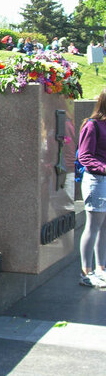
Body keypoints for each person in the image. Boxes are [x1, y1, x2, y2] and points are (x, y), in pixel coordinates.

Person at [77, 90, 106, 288]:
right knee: (93, 226)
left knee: (103, 227)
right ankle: (86, 272)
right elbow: (85, 157)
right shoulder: (92, 125)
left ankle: (101, 269)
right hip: (96, 180)